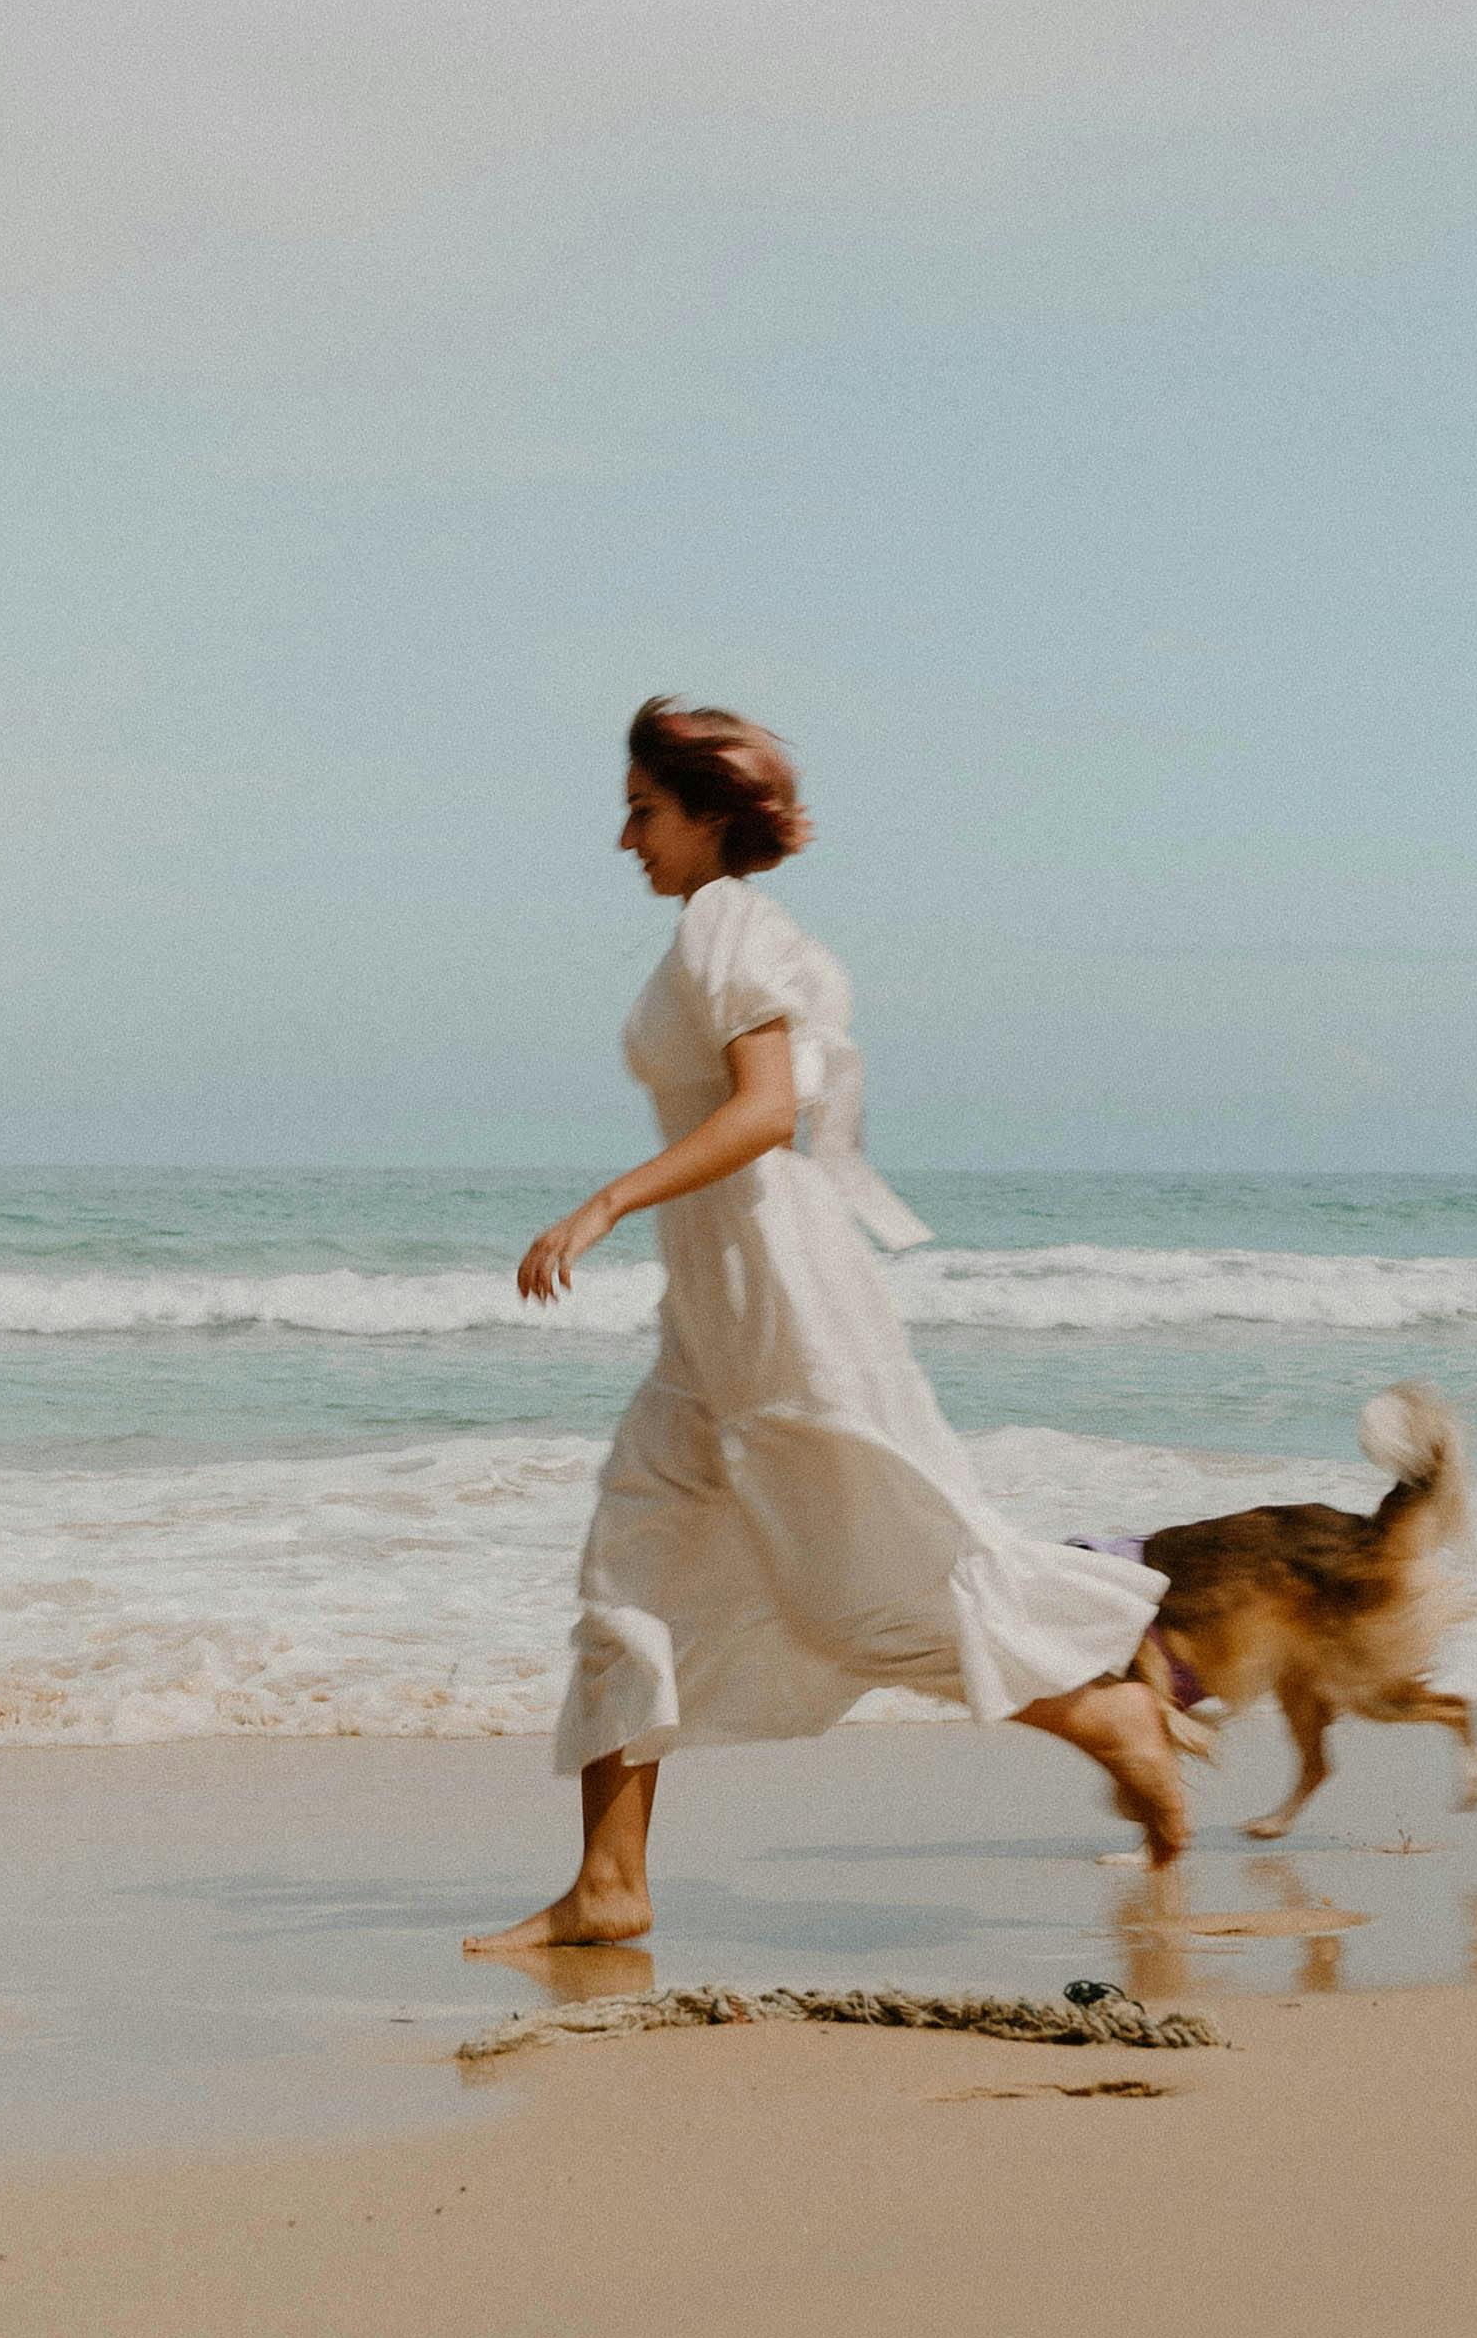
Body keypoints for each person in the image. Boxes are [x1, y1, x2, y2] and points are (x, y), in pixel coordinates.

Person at [466, 698, 1181, 1954]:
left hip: (777, 1300)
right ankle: (609, 1884)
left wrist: (606, 1202)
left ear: (706, 816)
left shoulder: (727, 924)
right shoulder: (722, 927)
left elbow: (765, 1113)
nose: (626, 838)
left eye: (643, 811)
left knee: (855, 1582)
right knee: (628, 1571)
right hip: (714, 1311)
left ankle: (1101, 1708)